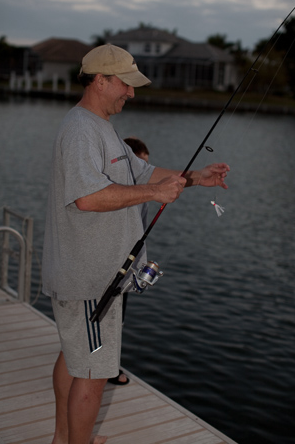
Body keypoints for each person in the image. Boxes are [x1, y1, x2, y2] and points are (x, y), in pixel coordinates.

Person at [42, 43, 230, 444]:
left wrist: (196, 177)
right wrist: (154, 195)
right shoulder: (80, 131)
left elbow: (143, 172)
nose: (132, 93)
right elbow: (88, 198)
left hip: (89, 277)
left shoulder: (101, 128)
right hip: (91, 281)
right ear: (100, 80)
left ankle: (63, 438)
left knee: (75, 356)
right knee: (93, 373)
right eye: (125, 84)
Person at [107, 137, 150, 386]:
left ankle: (109, 364)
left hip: (129, 263)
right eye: (138, 168)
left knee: (118, 318)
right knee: (105, 317)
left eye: (146, 168)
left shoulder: (141, 194)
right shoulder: (117, 191)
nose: (142, 175)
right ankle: (106, 369)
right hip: (111, 263)